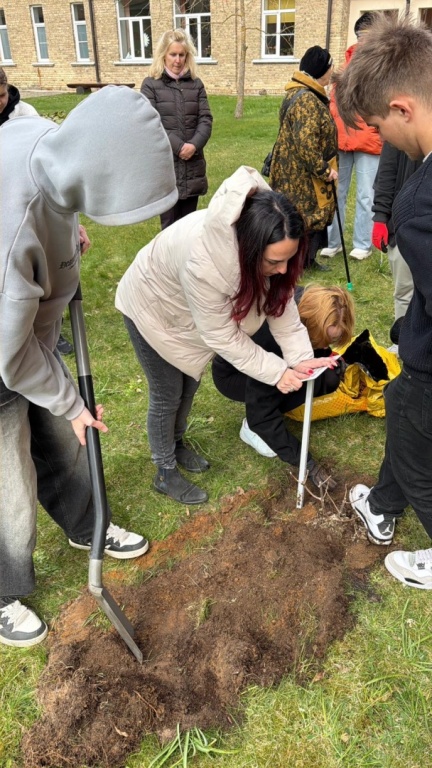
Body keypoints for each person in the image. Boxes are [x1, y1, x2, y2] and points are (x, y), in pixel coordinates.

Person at [0, 86, 178, 647]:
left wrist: (67, 221)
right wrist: (70, 400)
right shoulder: (14, 230)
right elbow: (12, 356)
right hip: (2, 345)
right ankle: (3, 590)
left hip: (24, 331)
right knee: (9, 477)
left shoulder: (47, 142)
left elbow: (48, 198)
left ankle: (87, 527)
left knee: (60, 436)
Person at [115, 166, 339, 506]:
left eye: (288, 259)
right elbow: (223, 337)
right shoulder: (206, 263)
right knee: (168, 391)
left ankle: (176, 444)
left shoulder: (265, 244)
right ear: (251, 249)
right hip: (152, 307)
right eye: (274, 262)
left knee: (189, 384)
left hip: (190, 313)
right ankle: (164, 469)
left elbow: (281, 310)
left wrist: (302, 360)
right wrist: (277, 372)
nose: (283, 269)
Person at [334, 13, 432, 589]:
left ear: (402, 108)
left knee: (419, 458)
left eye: (377, 127)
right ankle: (382, 506)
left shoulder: (420, 207)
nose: (381, 141)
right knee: (400, 409)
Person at [212, 285, 355, 489]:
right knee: (284, 386)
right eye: (322, 340)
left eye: (331, 340)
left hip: (277, 355)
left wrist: (327, 360)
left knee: (328, 378)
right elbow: (262, 415)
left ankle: (277, 400)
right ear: (307, 325)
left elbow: (316, 350)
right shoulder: (272, 341)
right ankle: (250, 428)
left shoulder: (304, 307)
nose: (326, 346)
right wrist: (306, 463)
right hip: (234, 374)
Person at [269, 45, 338, 272]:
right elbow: (306, 144)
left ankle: (306, 261)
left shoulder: (301, 92)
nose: (332, 70)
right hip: (301, 174)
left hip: (295, 170)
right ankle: (301, 262)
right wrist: (324, 170)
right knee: (306, 215)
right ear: (322, 69)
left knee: (304, 214)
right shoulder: (307, 99)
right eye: (330, 66)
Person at [321, 12, 382, 261]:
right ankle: (333, 242)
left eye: (367, 35)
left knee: (366, 195)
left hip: (369, 140)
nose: (362, 40)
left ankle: (362, 243)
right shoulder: (345, 64)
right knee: (337, 192)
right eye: (360, 35)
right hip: (341, 140)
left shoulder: (382, 65)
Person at [141, 28, 213, 230]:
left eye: (182, 55)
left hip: (193, 166)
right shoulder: (151, 85)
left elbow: (205, 119)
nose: (178, 60)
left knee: (189, 228)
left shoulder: (196, 84)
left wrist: (194, 145)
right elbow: (150, 123)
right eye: (173, 54)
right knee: (169, 229)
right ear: (163, 54)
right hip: (167, 167)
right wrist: (179, 147)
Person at [372, 142, 421, 349]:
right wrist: (381, 216)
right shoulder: (399, 130)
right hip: (403, 221)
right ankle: (403, 342)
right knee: (404, 289)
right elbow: (387, 170)